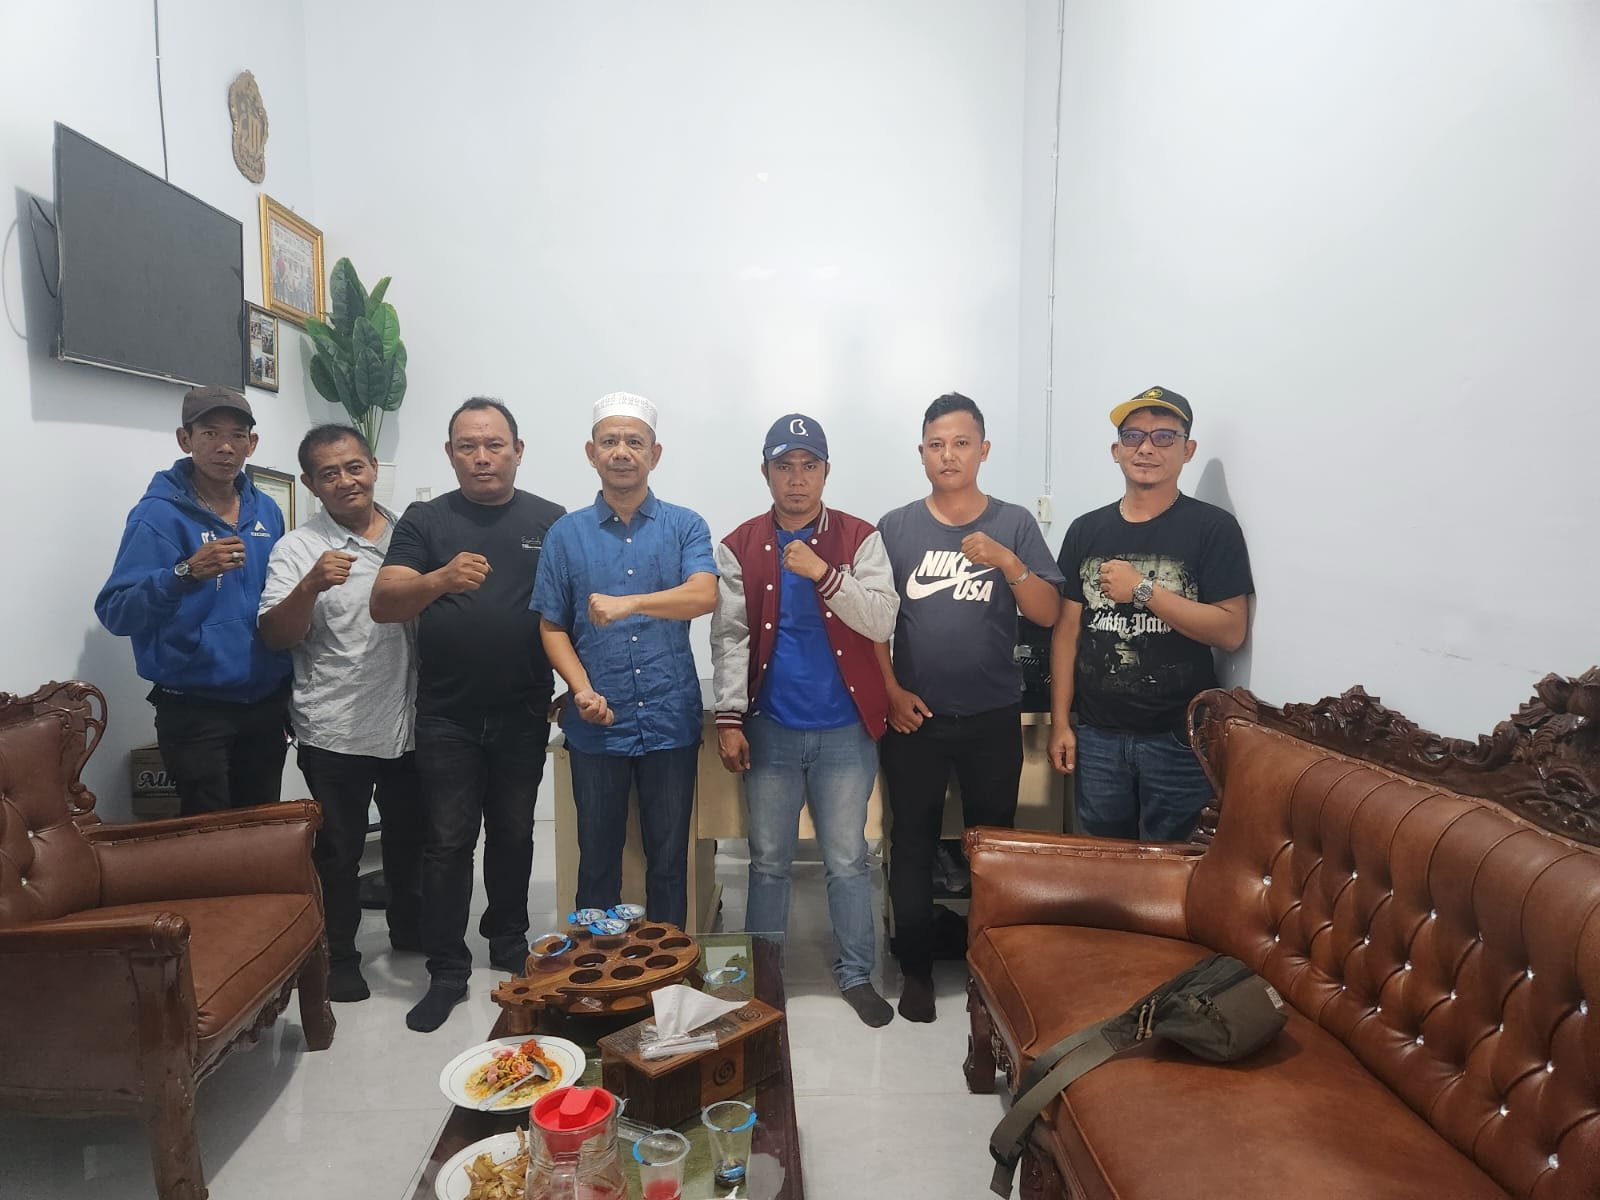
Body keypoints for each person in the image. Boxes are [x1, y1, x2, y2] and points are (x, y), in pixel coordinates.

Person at [370, 398, 566, 1032]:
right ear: (450, 454)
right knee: (449, 842)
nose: (482, 457)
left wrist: (577, 684)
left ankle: (508, 942)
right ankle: (448, 969)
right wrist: (440, 580)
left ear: (518, 450)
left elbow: (571, 609)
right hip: (447, 715)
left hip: (523, 709)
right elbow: (384, 601)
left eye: (494, 444)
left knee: (514, 832)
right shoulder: (426, 520)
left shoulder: (551, 520)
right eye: (467, 446)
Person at [874, 392, 1063, 1022]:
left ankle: (989, 967)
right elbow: (872, 622)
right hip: (915, 720)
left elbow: (1047, 613)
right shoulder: (896, 527)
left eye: (960, 443)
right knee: (912, 841)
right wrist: (891, 692)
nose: (948, 455)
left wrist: (1008, 562)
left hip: (991, 717)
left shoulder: (1014, 523)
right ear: (921, 452)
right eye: (936, 444)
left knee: (992, 846)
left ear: (983, 450)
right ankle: (916, 969)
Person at [710, 414, 900, 1027]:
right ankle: (763, 980)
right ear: (766, 472)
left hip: (846, 729)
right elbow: (730, 636)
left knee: (847, 858)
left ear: (825, 471)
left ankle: (857, 974)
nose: (797, 479)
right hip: (771, 727)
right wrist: (729, 718)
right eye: (784, 466)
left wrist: (824, 574)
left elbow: (882, 620)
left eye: (808, 466)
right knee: (768, 859)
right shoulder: (738, 545)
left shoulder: (860, 538)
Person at [531, 392, 716, 930]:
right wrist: (580, 689)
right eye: (609, 441)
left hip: (669, 720)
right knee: (596, 861)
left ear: (654, 454)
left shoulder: (685, 525)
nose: (621, 452)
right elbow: (551, 625)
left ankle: (669, 969)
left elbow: (703, 595)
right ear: (591, 453)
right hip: (596, 725)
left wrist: (631, 603)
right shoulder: (566, 534)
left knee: (669, 863)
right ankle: (597, 970)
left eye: (634, 442)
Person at [258, 424, 423, 1004]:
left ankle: (410, 929)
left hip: (409, 721)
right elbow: (276, 636)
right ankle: (341, 957)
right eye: (329, 473)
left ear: (373, 466)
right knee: (339, 852)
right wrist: (309, 586)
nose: (346, 481)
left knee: (411, 839)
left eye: (354, 467)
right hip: (334, 727)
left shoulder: (411, 535)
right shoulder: (297, 549)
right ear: (310, 484)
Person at [1049, 386, 1253, 841]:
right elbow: (1067, 633)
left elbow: (1231, 630)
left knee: (1174, 866)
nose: (1146, 448)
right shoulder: (1086, 530)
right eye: (1133, 435)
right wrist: (1061, 722)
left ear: (1187, 450)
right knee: (1103, 862)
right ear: (1116, 450)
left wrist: (1142, 590)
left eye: (1164, 436)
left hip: (1179, 739)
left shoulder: (1212, 529)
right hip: (1097, 736)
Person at [95, 386, 291, 815]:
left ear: (252, 444)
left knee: (263, 831)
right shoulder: (157, 515)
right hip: (195, 710)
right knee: (208, 836)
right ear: (185, 439)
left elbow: (279, 602)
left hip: (264, 705)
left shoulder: (268, 512)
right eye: (210, 433)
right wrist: (184, 573)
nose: (225, 446)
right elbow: (116, 611)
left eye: (237, 435)